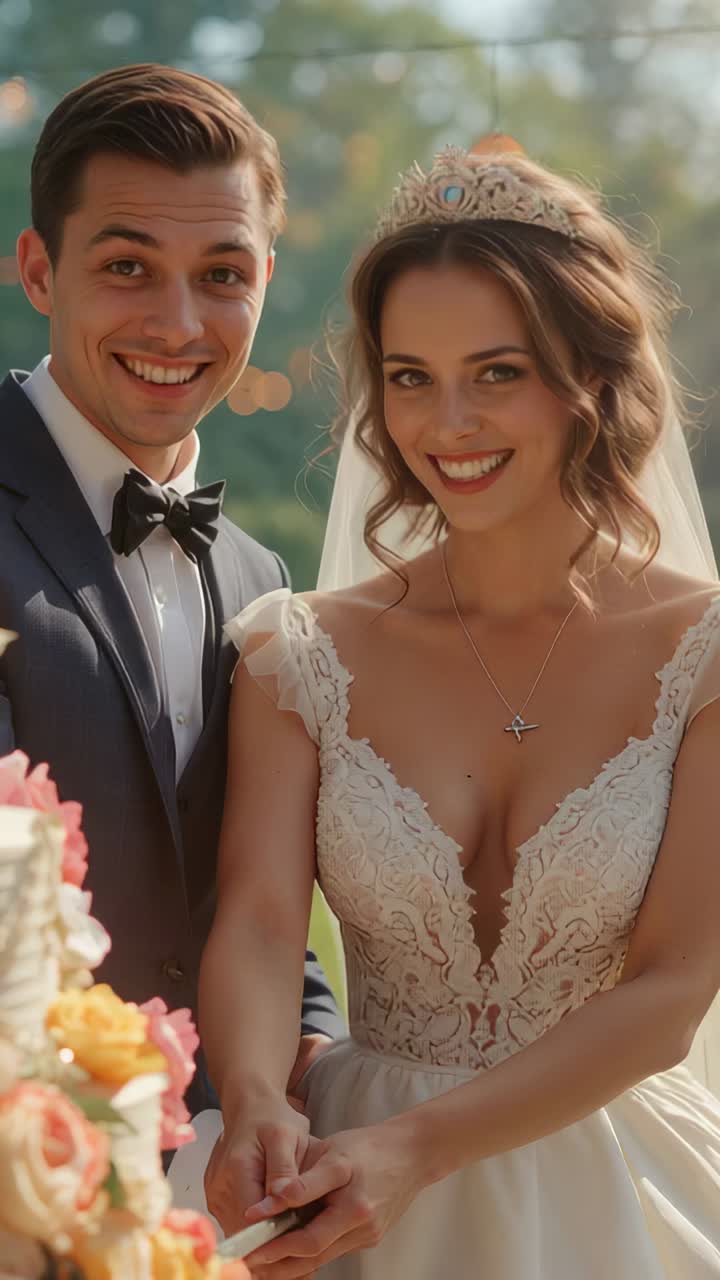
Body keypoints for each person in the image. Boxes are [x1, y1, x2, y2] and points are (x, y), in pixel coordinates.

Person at [200, 146, 720, 1275]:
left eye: (498, 372)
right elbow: (255, 916)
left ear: (587, 372)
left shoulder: (707, 653)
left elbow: (677, 984)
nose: (448, 423)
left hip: (611, 1176)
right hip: (338, 1182)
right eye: (408, 374)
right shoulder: (300, 650)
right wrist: (249, 1098)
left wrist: (419, 1148)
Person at [0, 63, 341, 1115]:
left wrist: (323, 1054)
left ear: (267, 281)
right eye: (129, 265)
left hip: (201, 1201)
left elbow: (249, 896)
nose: (179, 323)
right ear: (38, 268)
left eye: (224, 273)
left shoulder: (260, 578)